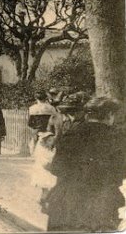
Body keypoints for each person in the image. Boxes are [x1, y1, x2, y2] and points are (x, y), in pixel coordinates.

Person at [46, 96, 125, 232]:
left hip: (66, 203)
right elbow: (121, 172)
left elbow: (56, 169)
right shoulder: (117, 138)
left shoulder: (71, 134)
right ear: (110, 115)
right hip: (101, 205)